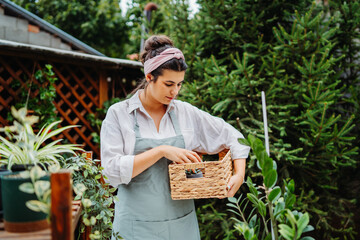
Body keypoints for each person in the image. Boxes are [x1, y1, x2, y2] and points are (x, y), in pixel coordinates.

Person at [100, 35, 250, 240]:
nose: (175, 91)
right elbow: (110, 173)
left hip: (181, 225)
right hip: (135, 227)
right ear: (150, 77)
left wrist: (239, 174)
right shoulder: (119, 114)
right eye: (169, 83)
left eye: (179, 84)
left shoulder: (185, 113)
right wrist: (161, 151)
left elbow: (234, 137)